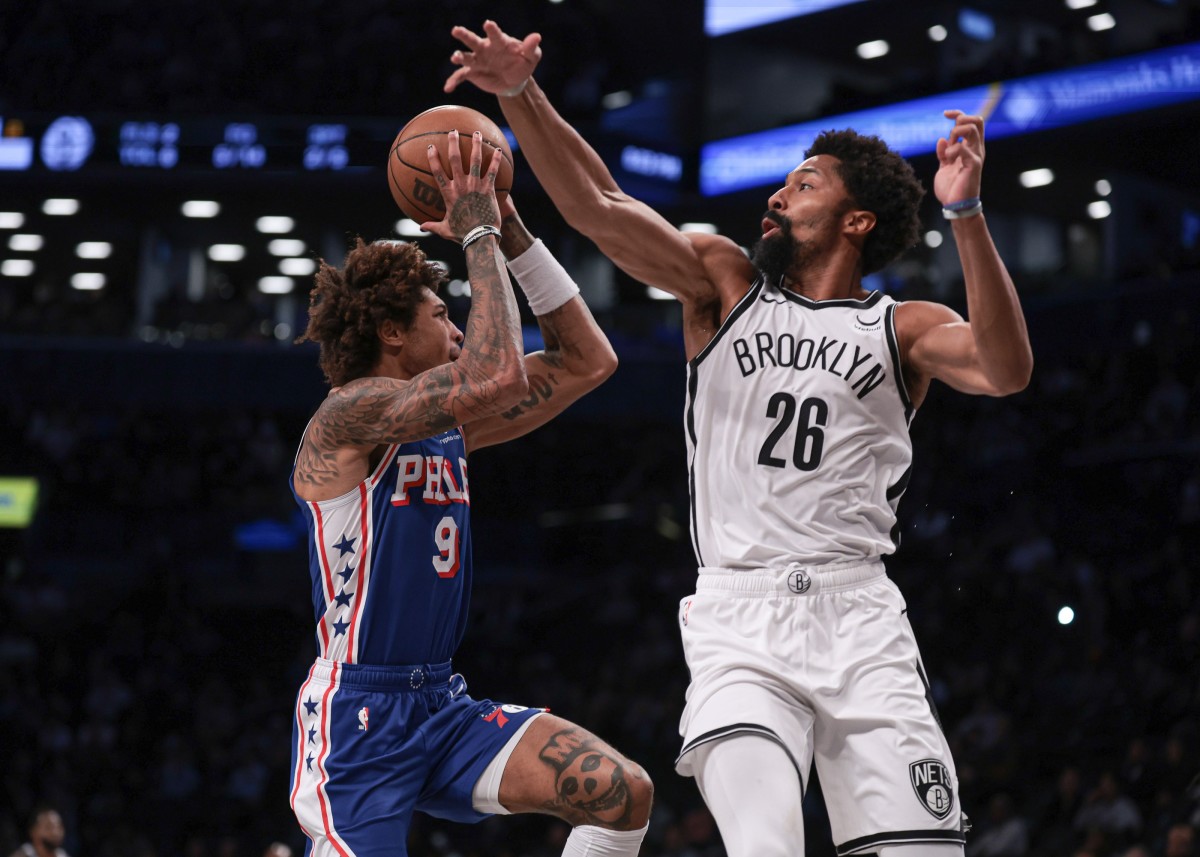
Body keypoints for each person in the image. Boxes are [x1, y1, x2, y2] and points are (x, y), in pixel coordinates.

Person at [443, 20, 1033, 857]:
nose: (777, 196)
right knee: (766, 846)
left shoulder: (903, 326)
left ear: (857, 220)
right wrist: (519, 93)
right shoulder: (724, 284)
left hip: (861, 618)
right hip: (740, 618)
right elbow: (600, 205)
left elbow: (1005, 369)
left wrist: (966, 213)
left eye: (804, 183)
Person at [288, 131, 652, 856]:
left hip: (440, 704)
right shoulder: (347, 416)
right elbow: (497, 374)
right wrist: (477, 231)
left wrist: (512, 231)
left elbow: (590, 358)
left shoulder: (446, 426)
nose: (456, 331)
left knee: (620, 791)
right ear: (392, 333)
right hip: (356, 720)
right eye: (439, 317)